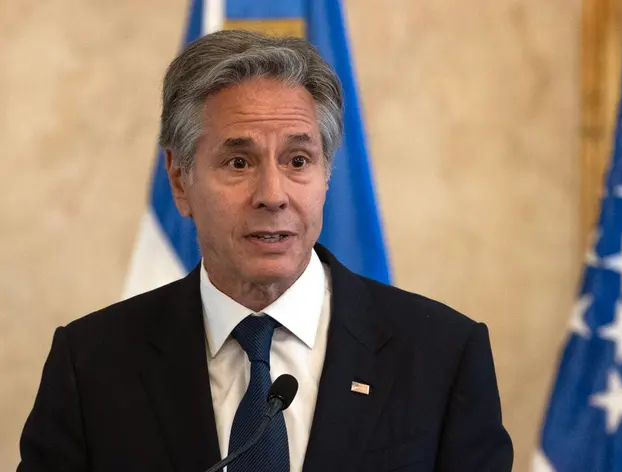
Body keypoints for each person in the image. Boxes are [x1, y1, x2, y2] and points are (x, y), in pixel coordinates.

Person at [17, 29, 513, 472]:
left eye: (298, 160)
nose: (273, 194)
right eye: (238, 161)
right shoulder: (92, 364)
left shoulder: (441, 356)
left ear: (325, 176)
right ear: (180, 180)